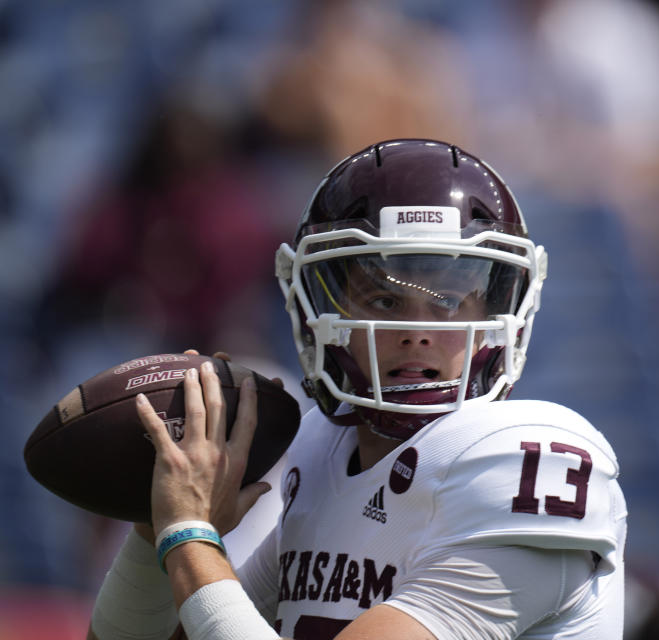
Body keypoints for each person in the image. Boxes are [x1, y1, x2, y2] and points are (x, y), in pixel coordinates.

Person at [86, 139, 627, 640]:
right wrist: (154, 524)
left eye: (448, 300)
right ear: (316, 309)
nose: (418, 332)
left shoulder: (527, 464)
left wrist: (189, 536)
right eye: (385, 301)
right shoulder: (323, 448)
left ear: (502, 310)